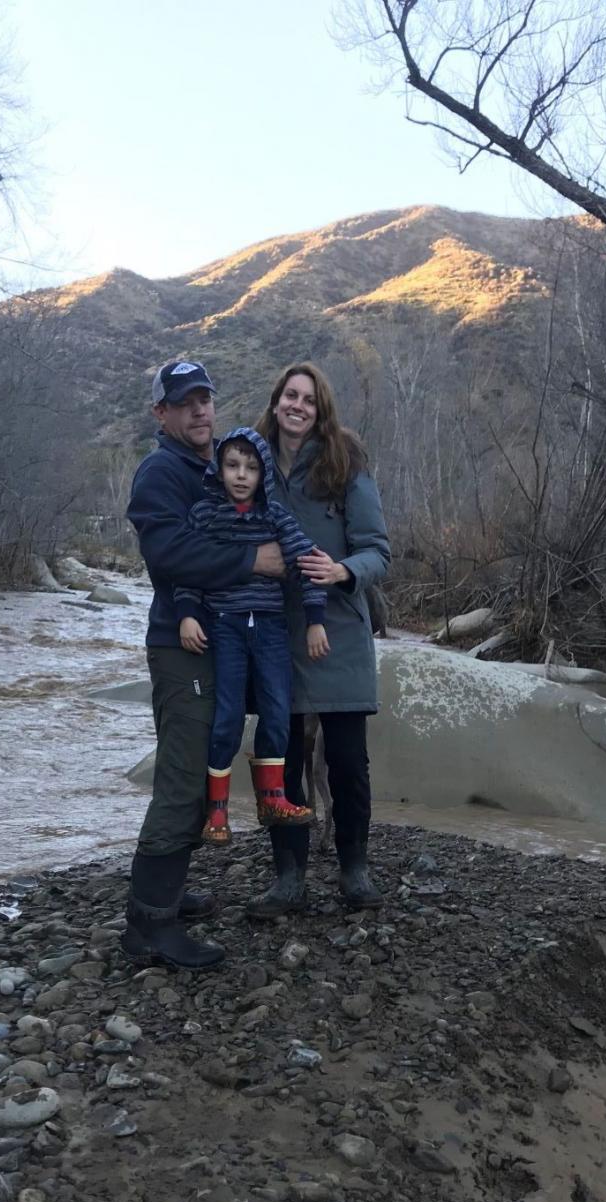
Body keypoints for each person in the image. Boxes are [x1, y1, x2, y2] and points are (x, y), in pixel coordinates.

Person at [124, 359, 286, 970]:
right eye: (185, 402)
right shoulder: (160, 472)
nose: (199, 411)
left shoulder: (219, 463)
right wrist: (252, 563)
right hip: (179, 642)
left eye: (206, 399)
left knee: (207, 760)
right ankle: (149, 927)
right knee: (186, 775)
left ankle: (169, 887)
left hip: (224, 640)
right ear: (161, 413)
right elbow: (170, 554)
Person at [247, 362, 391, 915]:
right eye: (290, 395)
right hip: (274, 633)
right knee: (279, 762)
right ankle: (288, 877)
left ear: (320, 408)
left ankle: (355, 870)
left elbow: (378, 549)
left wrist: (341, 570)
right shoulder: (251, 458)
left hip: (340, 631)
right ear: (277, 400)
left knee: (348, 761)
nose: (298, 406)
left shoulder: (345, 461)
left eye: (309, 399)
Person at [173, 426, 328, 844]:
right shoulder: (204, 514)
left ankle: (272, 797)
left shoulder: (275, 516)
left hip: (272, 628)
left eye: (251, 468)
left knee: (277, 711)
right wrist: (187, 614)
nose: (241, 475)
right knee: (226, 716)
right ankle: (217, 811)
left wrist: (315, 617)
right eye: (232, 465)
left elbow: (307, 561)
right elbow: (188, 568)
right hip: (224, 625)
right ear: (220, 469)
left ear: (263, 475)